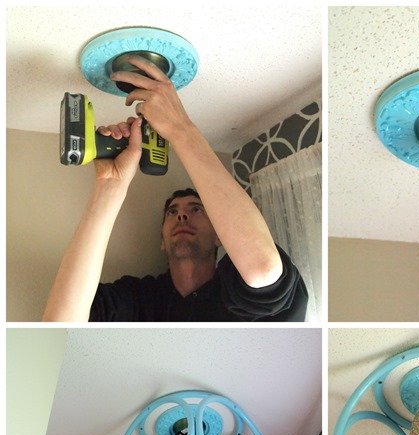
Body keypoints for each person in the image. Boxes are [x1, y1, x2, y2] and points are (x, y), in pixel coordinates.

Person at [43, 54, 308, 322]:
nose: (181, 216)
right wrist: (109, 186)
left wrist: (181, 129)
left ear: (220, 236)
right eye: (172, 212)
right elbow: (59, 326)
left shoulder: (236, 292)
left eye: (196, 209)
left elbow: (263, 270)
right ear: (161, 240)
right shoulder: (137, 299)